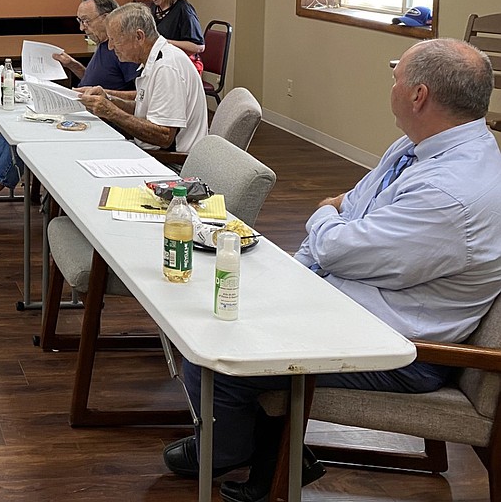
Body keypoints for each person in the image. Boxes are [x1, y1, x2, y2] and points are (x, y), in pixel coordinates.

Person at [163, 38, 501, 502]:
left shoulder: (450, 193)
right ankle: (272, 454)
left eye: (396, 75)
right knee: (218, 310)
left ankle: (226, 452)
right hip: (359, 305)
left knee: (218, 349)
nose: (392, 84)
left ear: (419, 95)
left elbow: (339, 238)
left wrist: (324, 213)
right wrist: (321, 242)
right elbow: (351, 217)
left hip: (401, 348)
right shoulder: (417, 146)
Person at [0, 0, 140, 219]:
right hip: (81, 110)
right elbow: (95, 81)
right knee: (21, 122)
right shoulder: (103, 44)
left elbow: (138, 96)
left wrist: (104, 96)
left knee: (31, 133)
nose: (82, 28)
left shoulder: (122, 48)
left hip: (99, 123)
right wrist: (73, 65)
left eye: (86, 21)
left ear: (107, 17)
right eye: (79, 21)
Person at [79, 2, 208, 153]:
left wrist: (111, 111)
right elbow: (144, 109)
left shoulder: (166, 67)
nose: (111, 47)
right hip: (154, 151)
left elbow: (163, 136)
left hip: (172, 161)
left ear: (139, 36)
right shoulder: (153, 60)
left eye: (115, 40)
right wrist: (109, 99)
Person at [139, 0, 205, 72]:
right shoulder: (154, 8)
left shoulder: (183, 9)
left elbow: (198, 47)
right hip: (163, 62)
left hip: (183, 64)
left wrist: (163, 42)